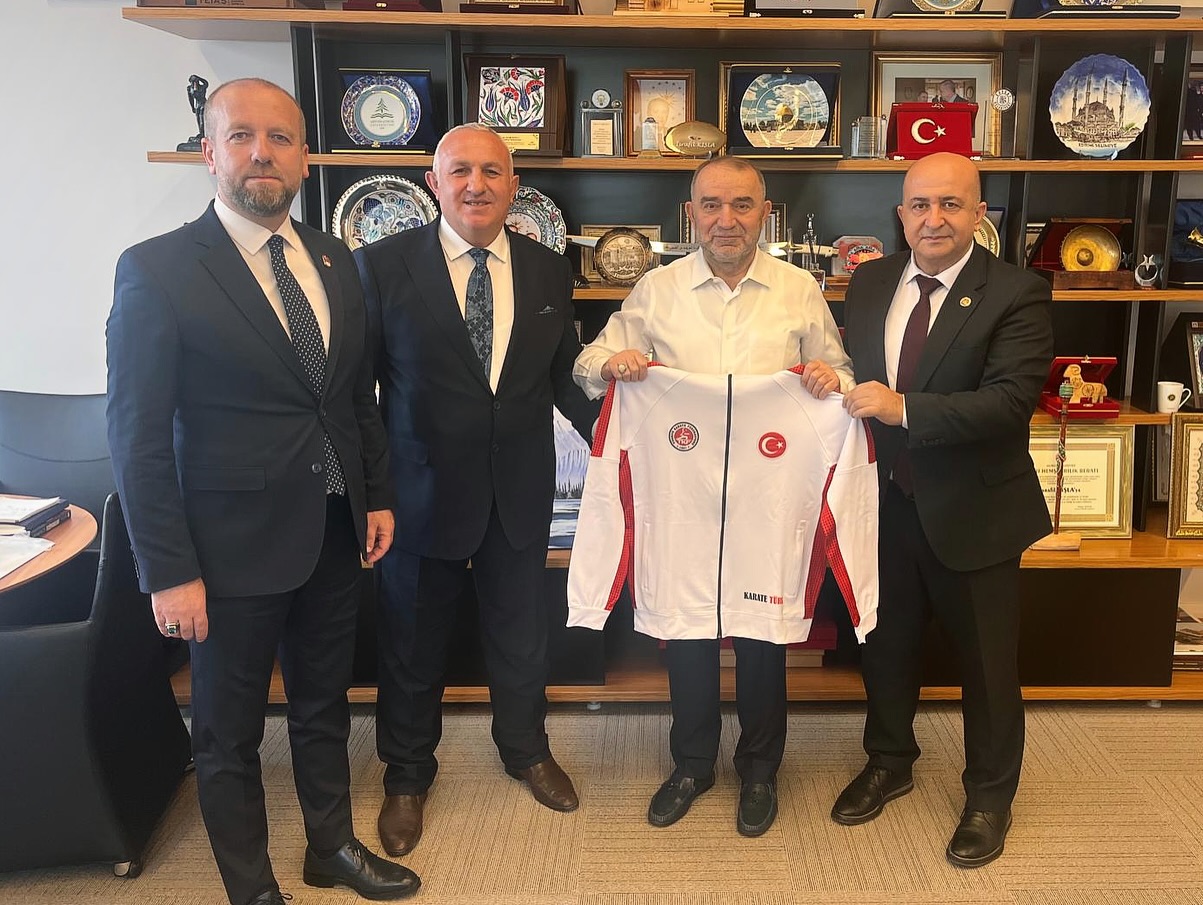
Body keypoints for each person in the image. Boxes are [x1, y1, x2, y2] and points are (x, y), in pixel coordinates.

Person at [106, 78, 419, 905]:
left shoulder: (334, 258)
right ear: (209, 152)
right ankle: (252, 889)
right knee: (229, 734)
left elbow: (353, 399)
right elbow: (136, 437)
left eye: (280, 138)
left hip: (331, 530)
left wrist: (375, 495)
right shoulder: (157, 270)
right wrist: (168, 570)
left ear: (305, 158)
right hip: (224, 554)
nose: (261, 153)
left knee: (323, 707)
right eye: (241, 135)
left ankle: (331, 847)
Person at [573, 155, 855, 837]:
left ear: (765, 213)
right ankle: (692, 764)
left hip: (767, 496)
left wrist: (829, 377)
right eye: (711, 205)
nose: (726, 220)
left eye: (741, 205)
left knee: (762, 636)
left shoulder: (798, 290)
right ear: (691, 213)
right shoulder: (657, 289)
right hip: (684, 498)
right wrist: (612, 364)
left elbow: (841, 372)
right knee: (687, 633)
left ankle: (759, 769)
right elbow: (587, 364)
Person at [355, 123, 598, 858]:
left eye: (492, 171)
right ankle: (406, 775)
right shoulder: (381, 265)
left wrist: (622, 442)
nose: (476, 185)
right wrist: (372, 492)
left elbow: (561, 377)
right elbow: (358, 393)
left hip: (517, 489)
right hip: (417, 494)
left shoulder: (548, 267)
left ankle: (526, 750)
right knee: (411, 644)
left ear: (513, 186)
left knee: (521, 636)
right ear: (434, 183)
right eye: (459, 170)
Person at [836, 152, 1054, 867]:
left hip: (974, 508)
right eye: (920, 205)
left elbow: (1008, 403)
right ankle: (889, 761)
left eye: (951, 204)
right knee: (884, 647)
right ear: (901, 215)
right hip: (882, 503)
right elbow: (855, 374)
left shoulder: (1017, 291)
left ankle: (989, 796)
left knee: (987, 667)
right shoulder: (869, 281)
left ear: (978, 214)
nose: (933, 219)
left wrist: (903, 408)